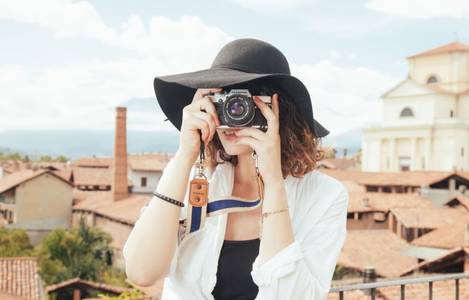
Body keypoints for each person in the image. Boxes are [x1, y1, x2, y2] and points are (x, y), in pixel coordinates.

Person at [122, 38, 349, 300]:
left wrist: (273, 182)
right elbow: (141, 272)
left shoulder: (325, 196)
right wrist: (186, 154)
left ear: (278, 110)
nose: (232, 115)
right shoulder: (193, 178)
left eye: (244, 104)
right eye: (221, 101)